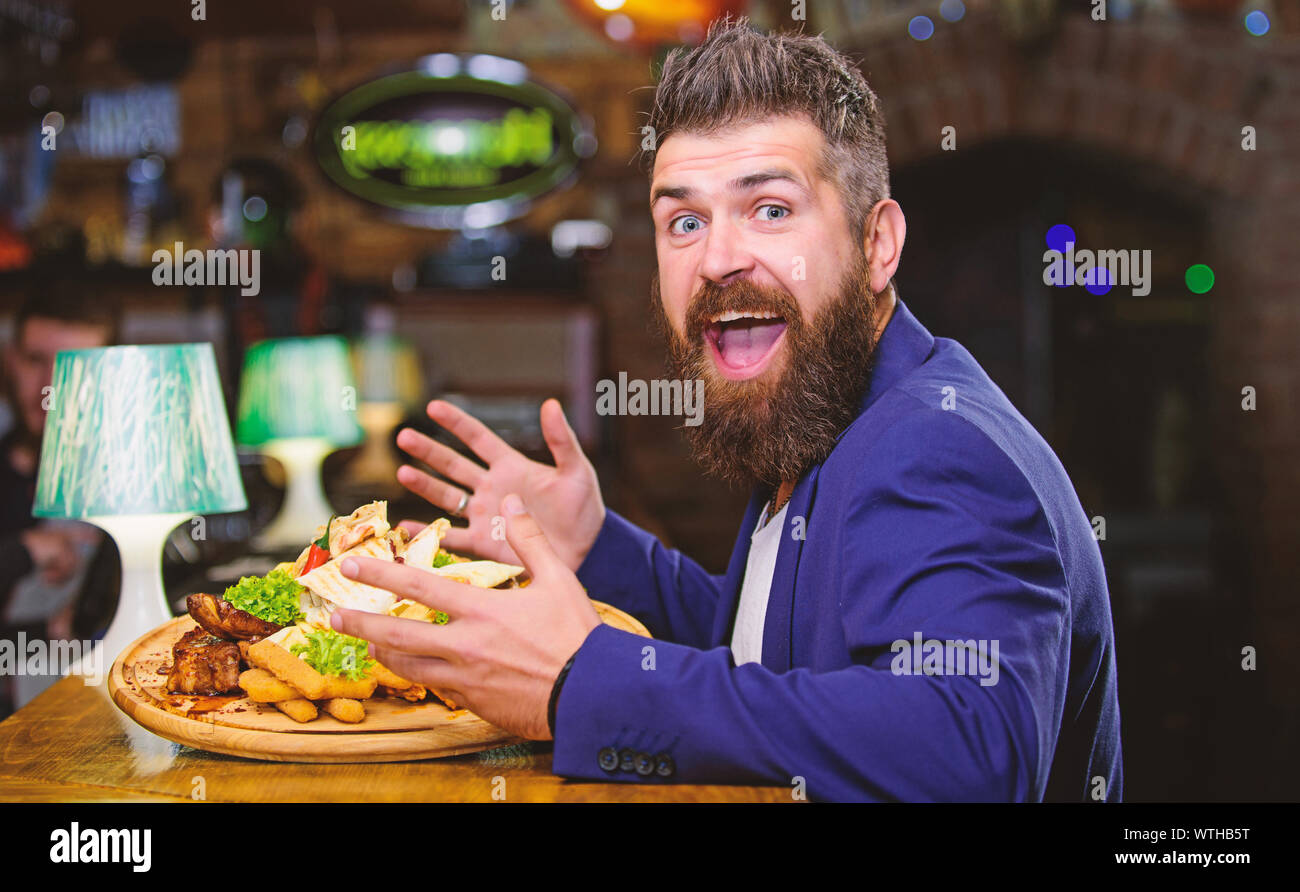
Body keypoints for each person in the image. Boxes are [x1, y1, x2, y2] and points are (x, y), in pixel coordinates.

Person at [330, 19, 1123, 801]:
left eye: (771, 210)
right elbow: (775, 657)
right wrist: (596, 550)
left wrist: (582, 681)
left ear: (878, 244)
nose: (717, 259)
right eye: (685, 221)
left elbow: (968, 746)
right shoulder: (826, 409)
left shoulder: (935, 446)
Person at [0, 280, 119, 718]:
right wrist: (23, 551)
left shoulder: (130, 484)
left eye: (74, 366)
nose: (49, 387)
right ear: (10, 362)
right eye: (35, 361)